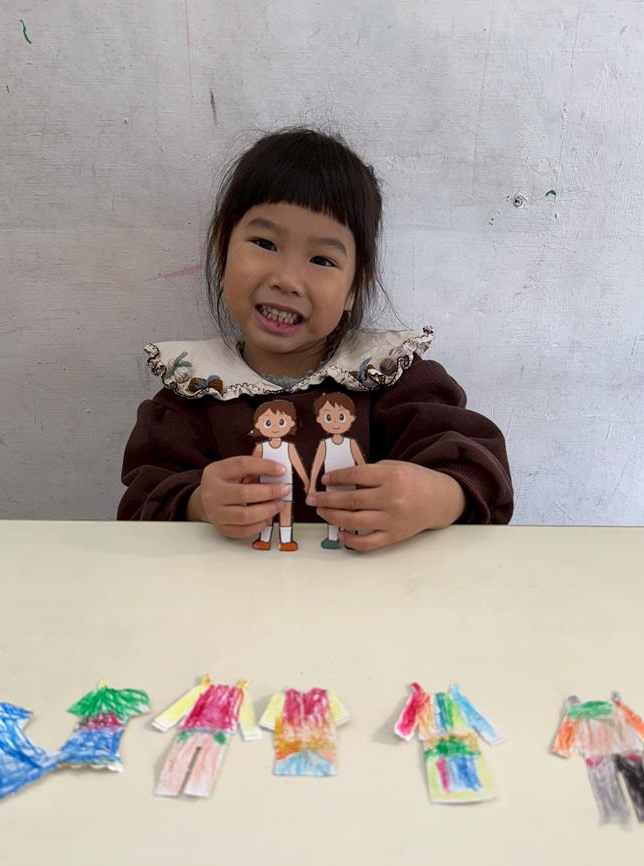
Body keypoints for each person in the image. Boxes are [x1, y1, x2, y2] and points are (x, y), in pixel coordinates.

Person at [119, 127, 513, 549]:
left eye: (322, 259)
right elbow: (139, 508)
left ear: (353, 290)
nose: (287, 279)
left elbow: (482, 472)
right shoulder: (193, 392)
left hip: (375, 586)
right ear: (222, 251)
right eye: (265, 242)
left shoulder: (391, 378)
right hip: (228, 590)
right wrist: (198, 503)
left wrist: (437, 497)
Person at [308, 392, 366, 549]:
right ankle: (332, 538)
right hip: (330, 485)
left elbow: (362, 464)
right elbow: (316, 465)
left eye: (341, 417)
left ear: (351, 418)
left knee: (350, 510)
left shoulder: (351, 443)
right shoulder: (325, 444)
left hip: (351, 486)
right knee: (331, 511)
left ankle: (351, 535)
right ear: (320, 419)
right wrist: (312, 485)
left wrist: (365, 482)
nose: (335, 422)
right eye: (328, 417)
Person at [249, 399, 309, 551]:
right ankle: (264, 540)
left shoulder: (288, 447)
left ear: (291, 423)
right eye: (268, 423)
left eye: (281, 422)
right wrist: (249, 486)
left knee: (285, 513)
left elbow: (298, 465)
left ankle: (286, 541)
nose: (275, 427)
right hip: (264, 488)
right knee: (266, 514)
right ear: (258, 425)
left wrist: (306, 482)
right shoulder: (261, 447)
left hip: (286, 486)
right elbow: (252, 469)